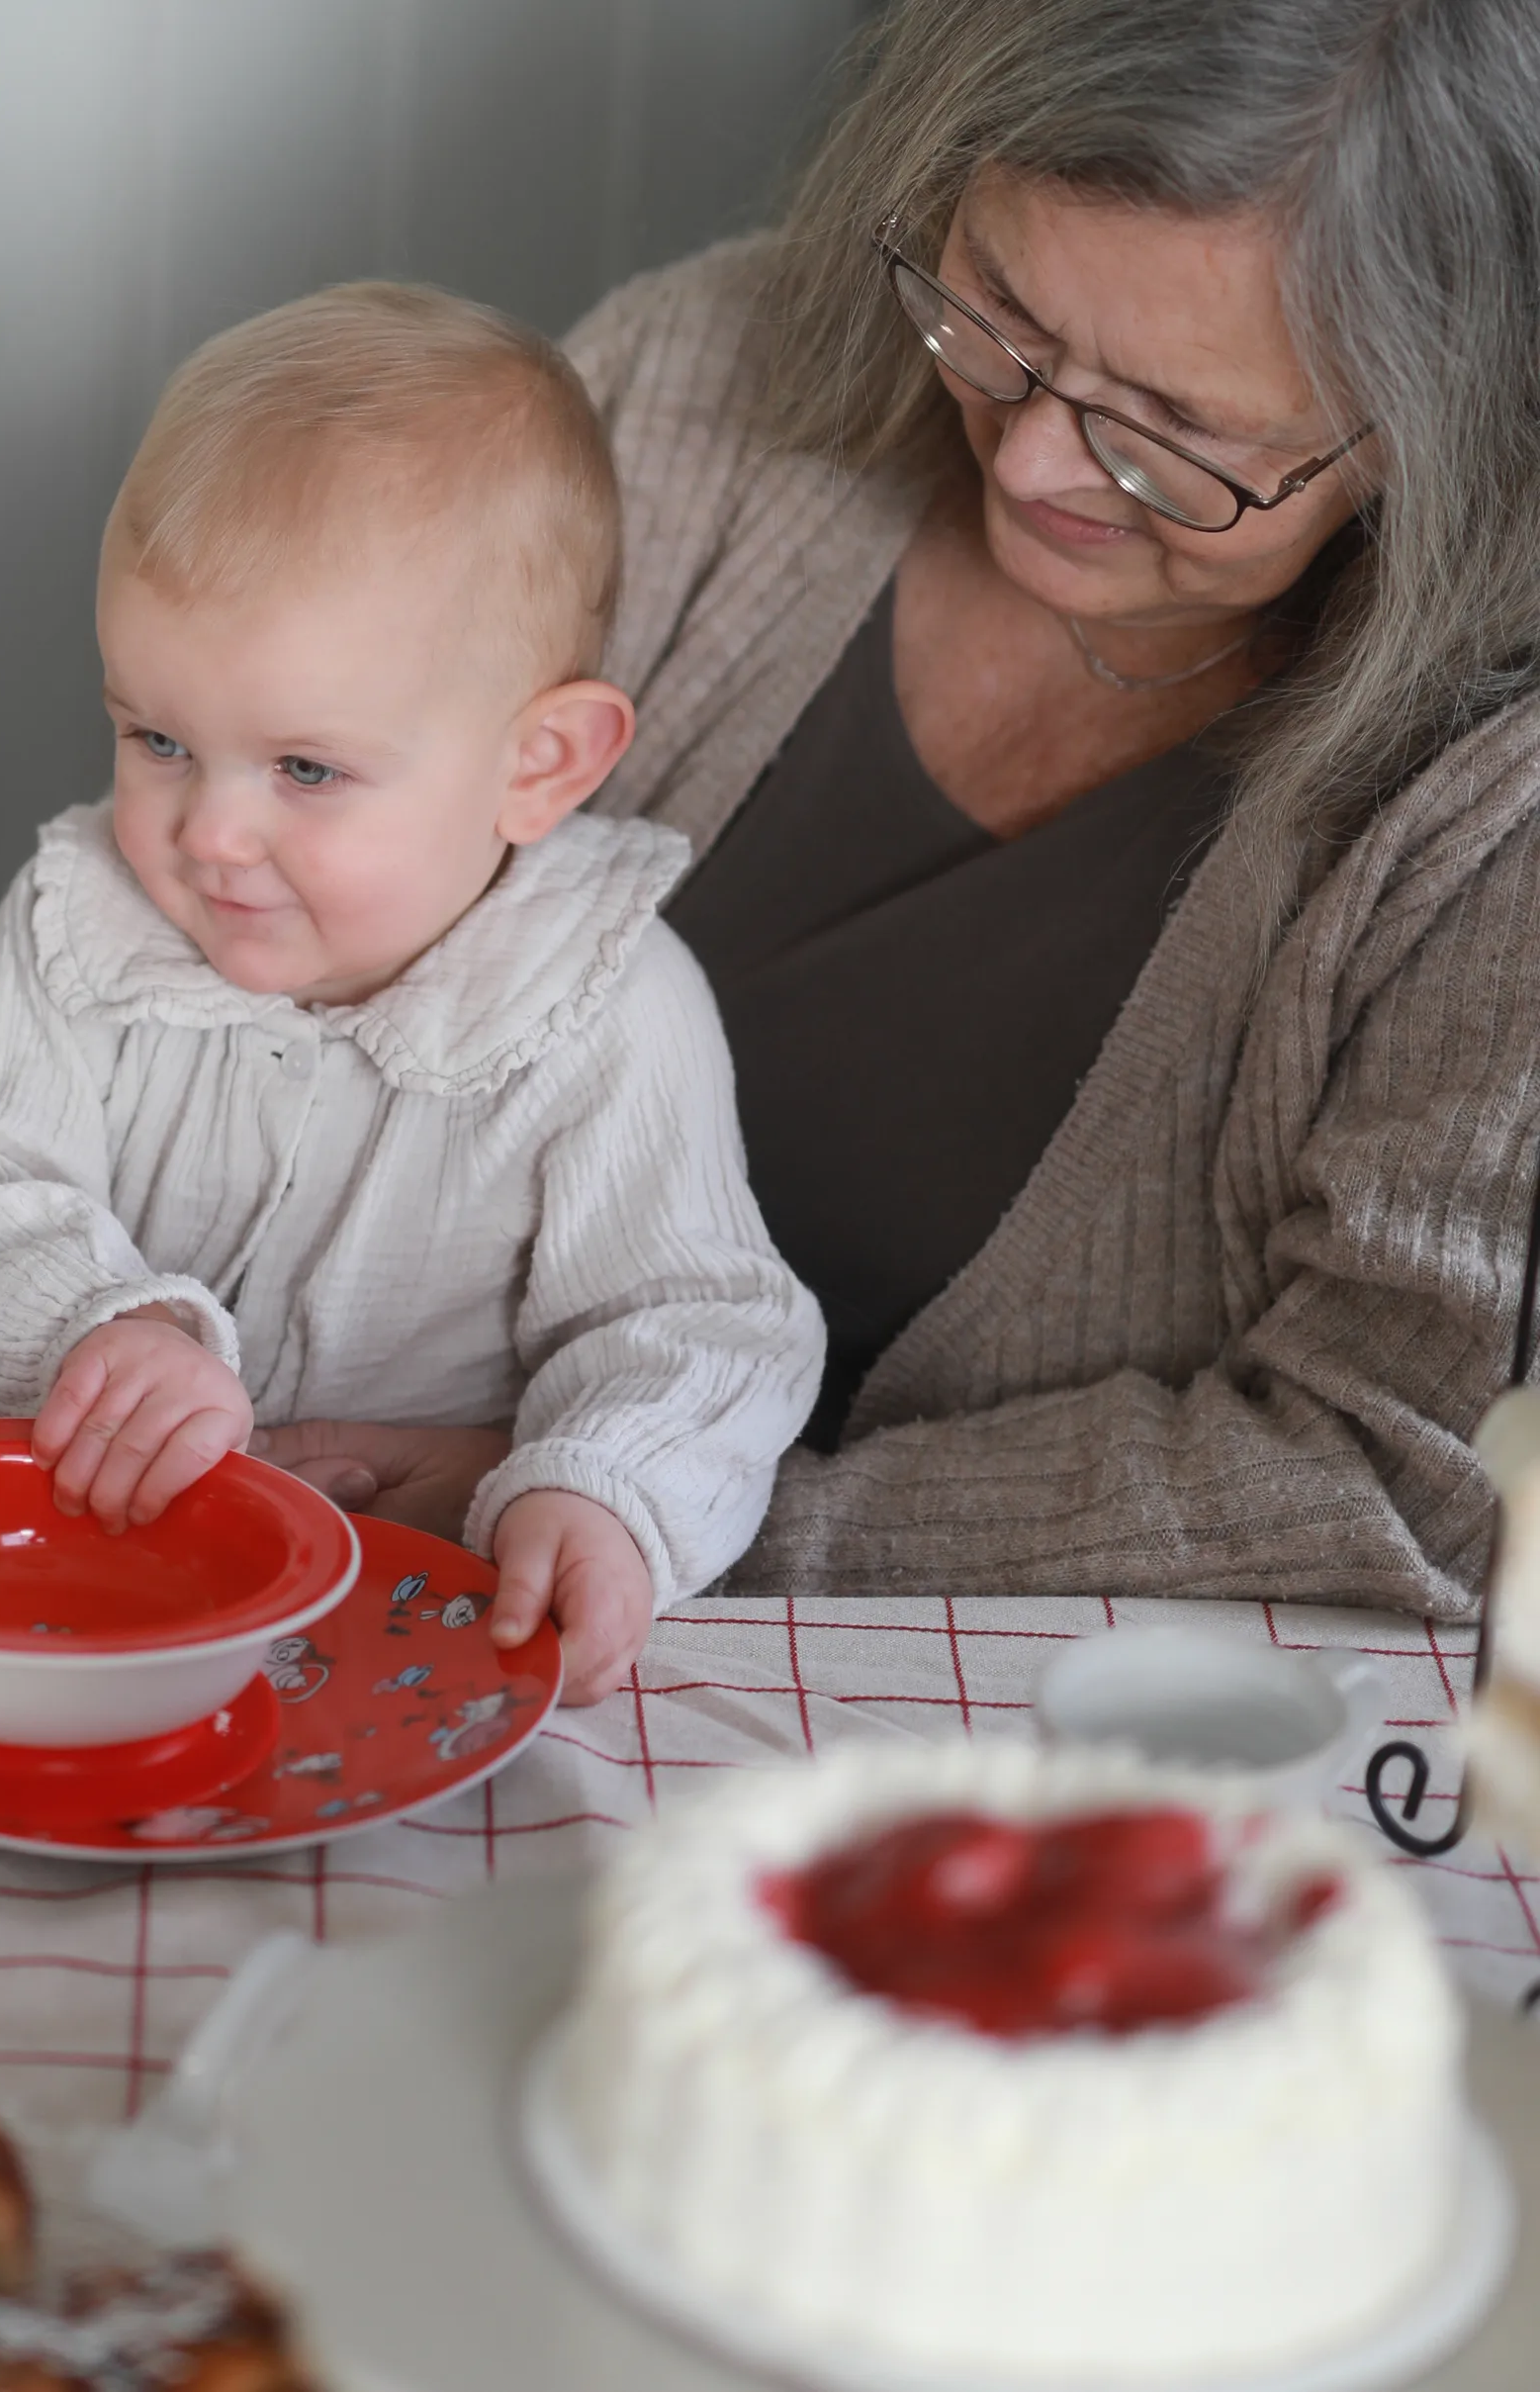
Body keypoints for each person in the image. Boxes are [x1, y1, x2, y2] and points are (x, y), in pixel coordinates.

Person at [261, 0, 1540, 1626]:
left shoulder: (1493, 804)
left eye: (1175, 437)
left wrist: (666, 1518)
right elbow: (260, 889)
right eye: (994, 315)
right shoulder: (704, 388)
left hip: (1000, 1735)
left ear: (1436, 427)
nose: (1027, 464)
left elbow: (1390, 1478)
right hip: (377, 1568)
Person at [0, 284, 825, 1704]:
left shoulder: (609, 1006)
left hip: (425, 1623)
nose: (209, 833)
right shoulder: (81, 926)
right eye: (159, 737)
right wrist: (100, 1327)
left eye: (305, 769)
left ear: (540, 763)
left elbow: (697, 1318)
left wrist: (606, 1491)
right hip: (94, 1598)